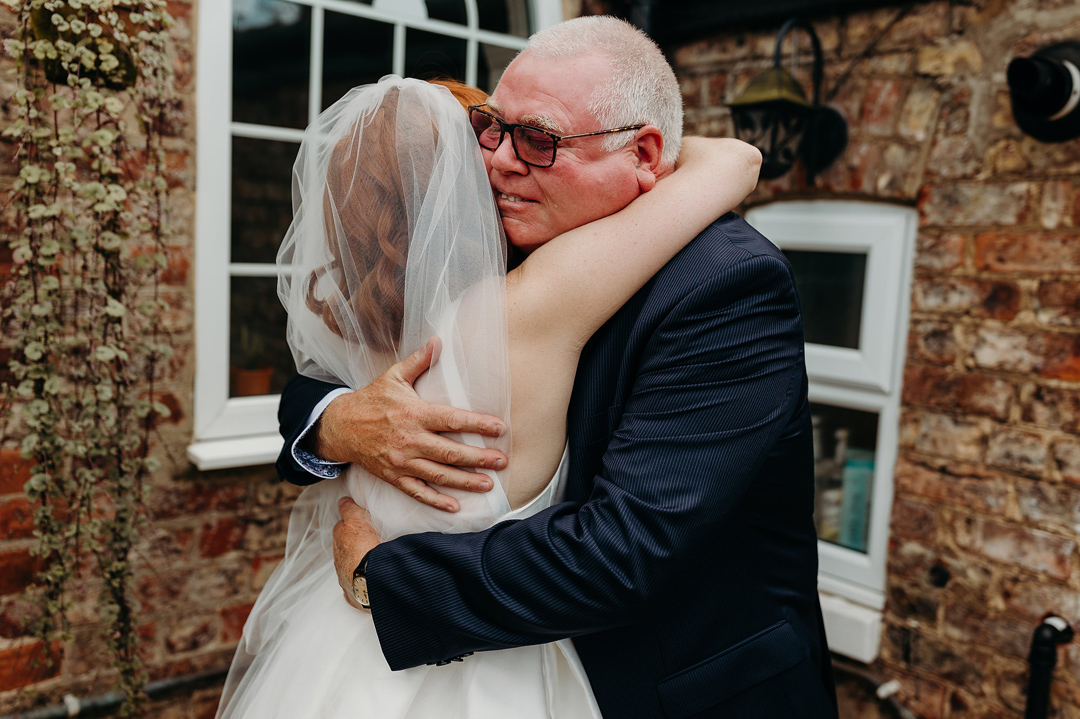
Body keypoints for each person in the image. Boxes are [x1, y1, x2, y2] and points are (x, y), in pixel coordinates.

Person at [277, 16, 838, 719]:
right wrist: (335, 424)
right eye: (491, 128)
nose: (499, 161)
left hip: (676, 685)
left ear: (646, 152)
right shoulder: (493, 247)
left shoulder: (725, 284)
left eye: (538, 139)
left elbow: (622, 550)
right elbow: (310, 389)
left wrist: (380, 577)